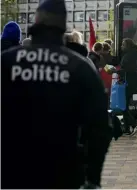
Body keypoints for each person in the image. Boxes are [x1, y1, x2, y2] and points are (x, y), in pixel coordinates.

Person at [1, 0, 112, 188]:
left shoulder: (7, 61)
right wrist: (93, 178)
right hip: (63, 173)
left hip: (12, 171)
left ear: (35, 20)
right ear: (63, 25)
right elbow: (100, 127)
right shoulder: (80, 67)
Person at [109, 38, 137, 135]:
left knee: (124, 106)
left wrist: (115, 71)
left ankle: (134, 123)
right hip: (130, 82)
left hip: (128, 83)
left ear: (128, 45)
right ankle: (127, 128)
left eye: (123, 44)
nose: (121, 46)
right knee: (124, 104)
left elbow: (128, 69)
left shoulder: (130, 56)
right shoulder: (132, 54)